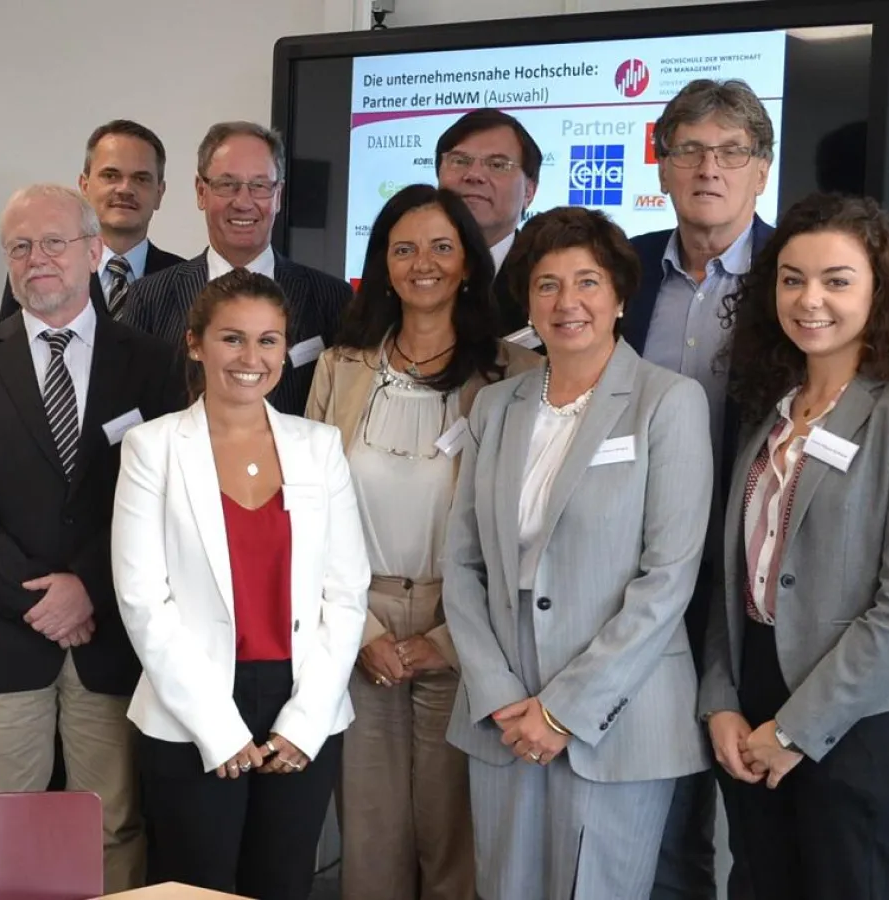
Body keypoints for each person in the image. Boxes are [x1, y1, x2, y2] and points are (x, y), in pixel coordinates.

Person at [700, 192, 889, 900]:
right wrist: (720, 702)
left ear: (880, 291)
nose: (808, 299)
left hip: (855, 725)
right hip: (750, 707)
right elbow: (734, 579)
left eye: (836, 280)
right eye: (791, 278)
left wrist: (791, 731)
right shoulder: (770, 406)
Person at [0, 183, 185, 894]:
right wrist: (37, 596)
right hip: (3, 632)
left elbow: (161, 496)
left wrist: (84, 587)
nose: (38, 258)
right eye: (20, 245)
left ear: (95, 250)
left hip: (109, 632)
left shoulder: (153, 363)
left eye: (54, 241)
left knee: (115, 823)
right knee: (7, 824)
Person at [442, 206, 714, 900]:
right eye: (547, 285)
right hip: (502, 720)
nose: (567, 303)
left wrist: (562, 709)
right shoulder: (495, 406)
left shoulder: (667, 402)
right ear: (526, 301)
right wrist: (501, 697)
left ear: (621, 295)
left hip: (613, 719)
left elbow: (667, 577)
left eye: (587, 282)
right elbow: (462, 564)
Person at [306, 184, 539, 900]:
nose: (423, 263)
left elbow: (526, 520)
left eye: (442, 246)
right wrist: (365, 629)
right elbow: (307, 508)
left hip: (465, 622)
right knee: (370, 839)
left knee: (455, 839)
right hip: (357, 615)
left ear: (469, 262)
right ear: (382, 264)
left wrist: (447, 634)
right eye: (403, 249)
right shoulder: (340, 365)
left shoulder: (514, 372)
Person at [111, 268, 370, 899]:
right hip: (191, 704)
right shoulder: (153, 448)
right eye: (232, 339)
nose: (251, 359)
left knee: (281, 883)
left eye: (269, 341)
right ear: (196, 344)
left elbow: (347, 591)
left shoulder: (319, 446)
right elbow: (144, 600)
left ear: (286, 348)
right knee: (196, 885)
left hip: (300, 701)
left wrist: (306, 722)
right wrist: (216, 726)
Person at [622, 77, 775, 900]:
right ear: (663, 164)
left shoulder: (798, 275)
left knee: (752, 812)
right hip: (640, 574)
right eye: (689, 151)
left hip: (754, 575)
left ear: (759, 169)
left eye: (730, 152)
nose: (708, 168)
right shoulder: (624, 269)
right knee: (663, 818)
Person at [122, 121, 351, 414]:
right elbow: (129, 408)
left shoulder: (333, 299)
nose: (243, 202)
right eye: (227, 184)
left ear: (278, 195)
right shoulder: (150, 297)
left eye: (258, 186)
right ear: (200, 191)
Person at [0, 119, 183, 321]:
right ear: (84, 186)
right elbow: (10, 347)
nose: (125, 189)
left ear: (159, 193)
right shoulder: (41, 271)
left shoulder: (188, 281)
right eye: (110, 175)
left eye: (141, 179)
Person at [436, 108, 542, 336]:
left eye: (497, 165)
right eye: (460, 161)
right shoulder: (402, 269)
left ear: (529, 192)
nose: (474, 175)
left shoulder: (547, 278)